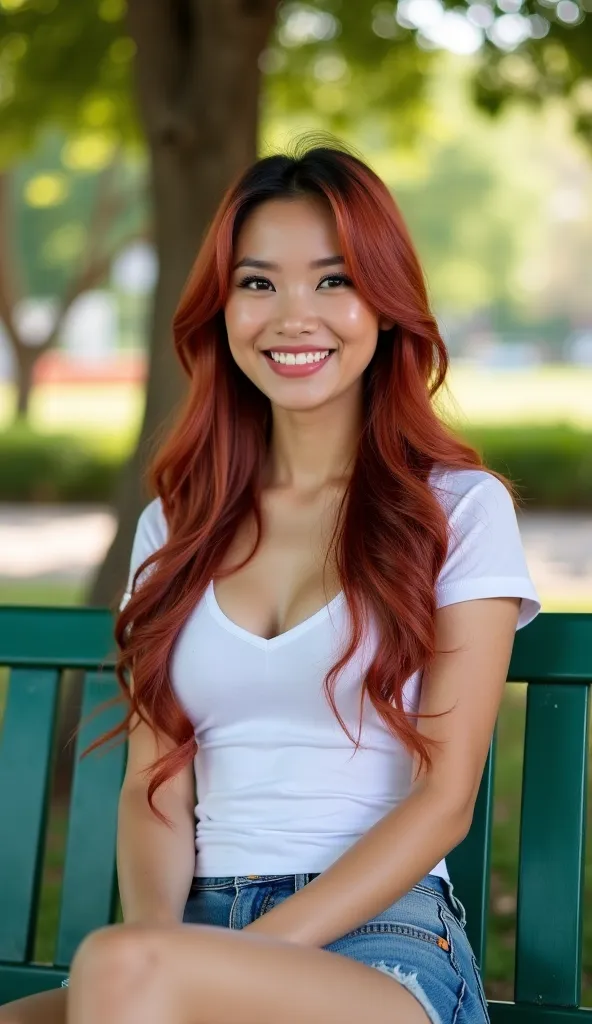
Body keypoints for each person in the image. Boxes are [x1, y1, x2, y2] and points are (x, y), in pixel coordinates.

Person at [0, 137, 541, 1024]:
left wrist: (190, 969)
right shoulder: (176, 525)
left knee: (122, 971)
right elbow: (154, 785)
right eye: (258, 284)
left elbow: (443, 803)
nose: (295, 315)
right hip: (181, 937)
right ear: (221, 310)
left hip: (383, 943)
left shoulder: (460, 510)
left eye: (334, 281)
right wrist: (164, 953)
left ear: (387, 303)